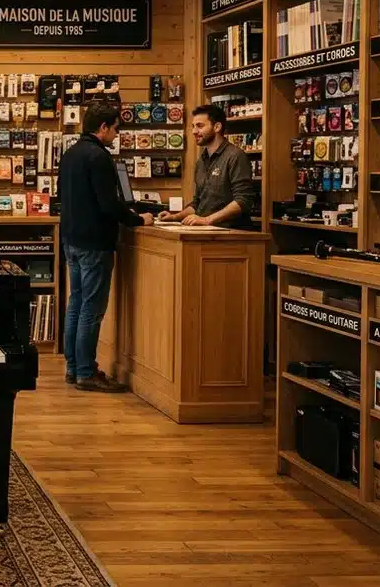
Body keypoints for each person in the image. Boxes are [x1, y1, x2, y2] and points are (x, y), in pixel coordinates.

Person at [57, 101, 152, 393]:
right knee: (92, 309)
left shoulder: (71, 153)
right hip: (95, 242)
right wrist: (138, 220)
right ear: (103, 128)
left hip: (72, 238)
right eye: (115, 128)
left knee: (76, 304)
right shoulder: (99, 157)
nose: (116, 134)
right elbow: (109, 205)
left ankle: (73, 368)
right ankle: (87, 371)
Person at [159, 104, 257, 227]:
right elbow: (197, 203)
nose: (194, 131)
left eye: (200, 126)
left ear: (217, 127)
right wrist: (174, 217)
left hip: (231, 234)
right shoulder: (201, 161)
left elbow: (243, 201)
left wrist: (207, 220)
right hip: (206, 232)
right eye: (193, 126)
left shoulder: (235, 156)